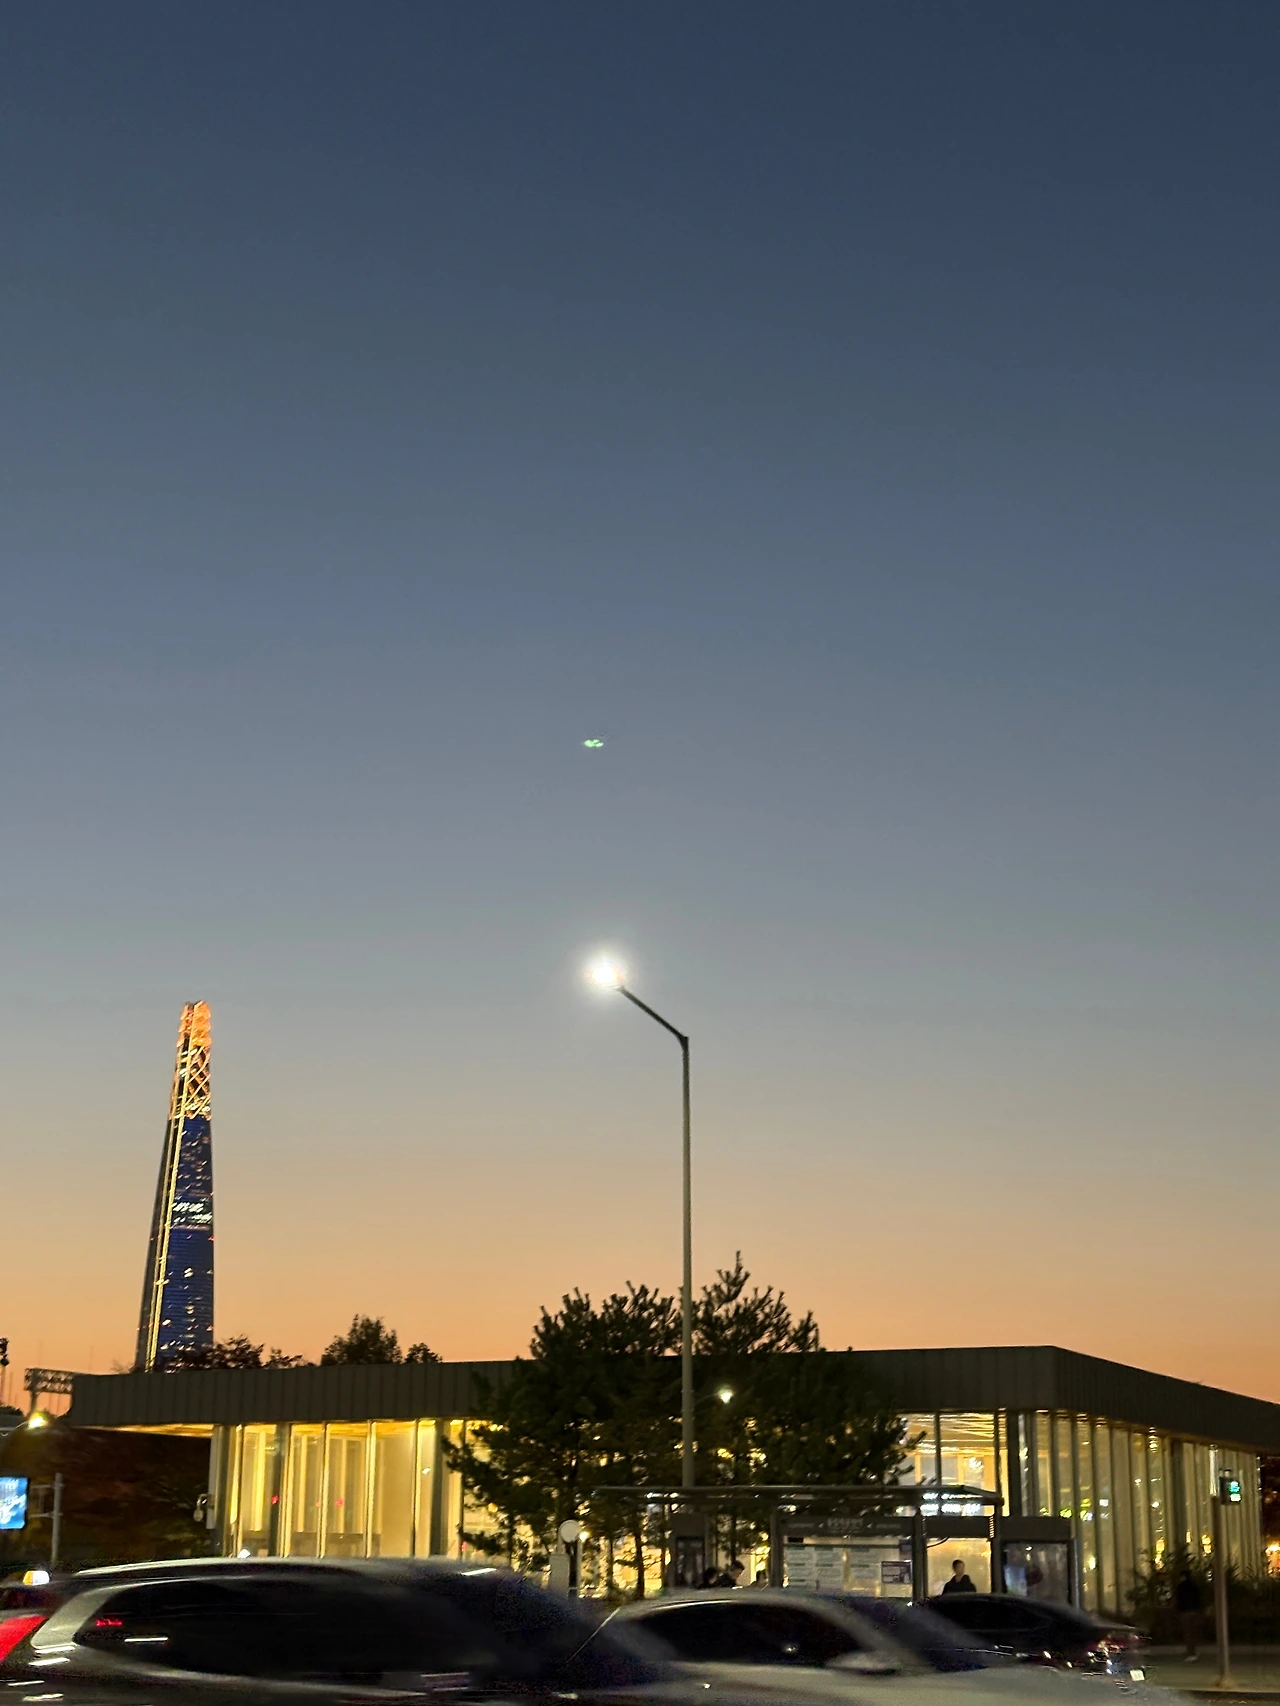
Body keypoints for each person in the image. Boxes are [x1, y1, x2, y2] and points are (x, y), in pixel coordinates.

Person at [1175, 1569, 1203, 1661]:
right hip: (1195, 1611)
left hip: (1186, 1612)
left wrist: (1178, 1610)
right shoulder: (1194, 1586)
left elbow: (1179, 1600)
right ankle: (1194, 1651)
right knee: (1194, 1632)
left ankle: (1191, 1652)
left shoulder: (1181, 1587)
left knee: (1188, 1633)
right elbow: (1199, 1598)